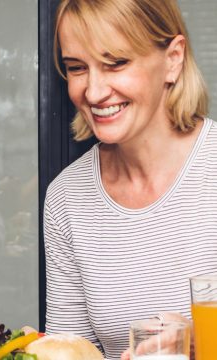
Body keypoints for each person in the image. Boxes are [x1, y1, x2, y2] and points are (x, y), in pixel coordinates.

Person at [45, 0, 212, 359]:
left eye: (116, 63)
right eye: (77, 68)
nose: (93, 92)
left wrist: (207, 341)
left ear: (173, 59)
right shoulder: (66, 197)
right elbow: (72, 350)